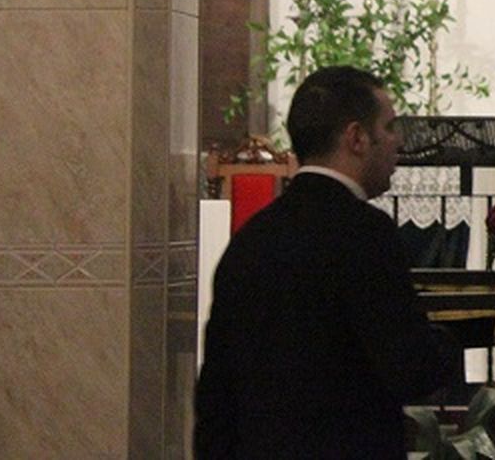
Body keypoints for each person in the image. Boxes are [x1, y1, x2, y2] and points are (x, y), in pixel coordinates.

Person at [195, 66, 461, 459]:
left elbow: (217, 394)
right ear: (356, 138)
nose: (398, 142)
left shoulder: (252, 239)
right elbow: (409, 368)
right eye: (389, 128)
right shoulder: (365, 234)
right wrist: (448, 343)